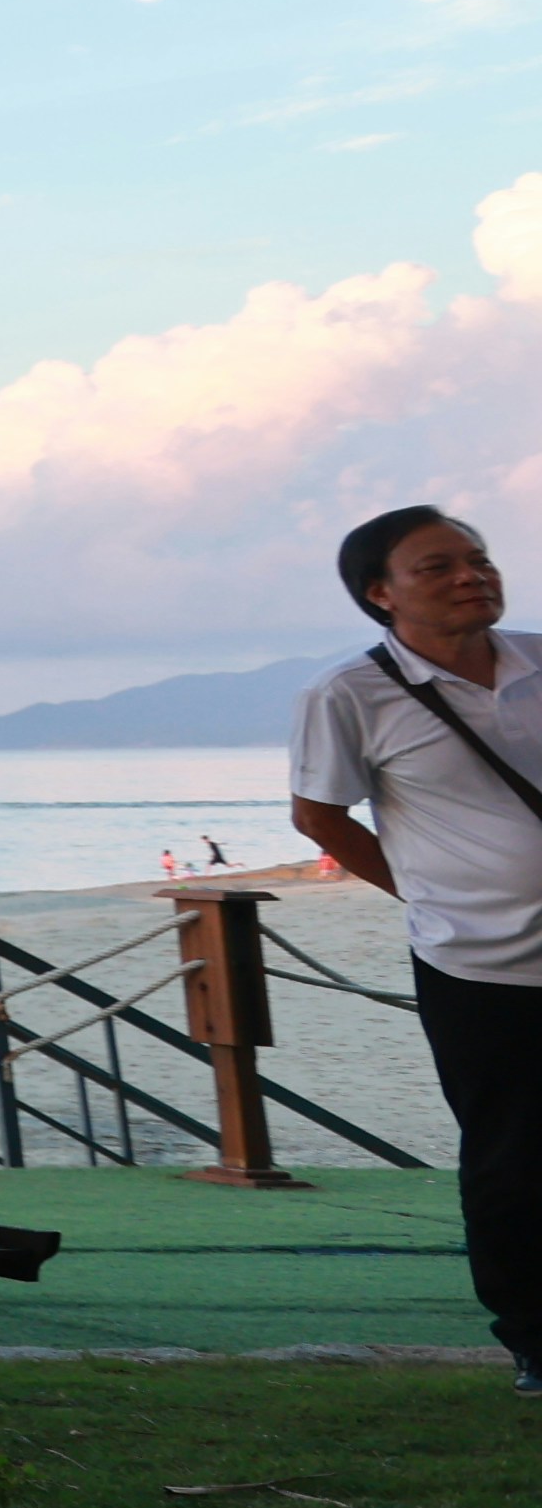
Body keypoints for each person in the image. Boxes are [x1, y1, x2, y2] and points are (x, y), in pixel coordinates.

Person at [285, 507, 542, 1393]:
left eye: (478, 559)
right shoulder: (347, 695)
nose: (472, 575)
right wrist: (428, 892)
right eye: (438, 567)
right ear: (380, 595)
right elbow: (319, 819)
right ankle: (534, 1338)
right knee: (513, 1157)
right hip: (480, 966)